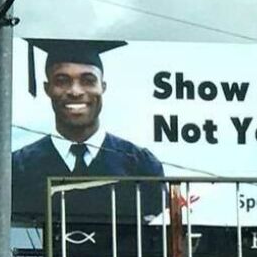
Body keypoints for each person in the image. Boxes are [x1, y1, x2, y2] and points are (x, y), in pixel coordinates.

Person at [12, 38, 164, 225]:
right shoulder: (17, 167)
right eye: (62, 81)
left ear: (103, 87)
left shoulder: (141, 165)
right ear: (47, 88)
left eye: (88, 81)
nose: (75, 91)